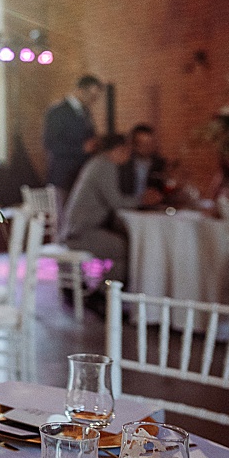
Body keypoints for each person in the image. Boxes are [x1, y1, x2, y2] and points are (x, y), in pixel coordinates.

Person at [62, 134, 138, 313]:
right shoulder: (104, 166)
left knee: (123, 244)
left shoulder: (98, 163)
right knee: (125, 249)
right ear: (118, 150)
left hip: (81, 229)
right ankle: (103, 296)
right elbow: (116, 202)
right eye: (127, 151)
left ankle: (104, 294)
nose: (128, 156)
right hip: (80, 233)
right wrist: (143, 201)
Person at [43, 75, 104, 215]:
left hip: (82, 177)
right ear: (81, 91)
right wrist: (81, 148)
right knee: (63, 221)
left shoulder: (86, 112)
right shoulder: (57, 112)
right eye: (92, 96)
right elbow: (50, 144)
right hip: (63, 177)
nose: (93, 101)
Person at [118, 124, 168, 206]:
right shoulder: (123, 164)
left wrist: (157, 196)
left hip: (153, 210)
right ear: (133, 144)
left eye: (150, 143)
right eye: (142, 144)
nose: (147, 147)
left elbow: (166, 191)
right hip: (127, 208)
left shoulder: (160, 164)